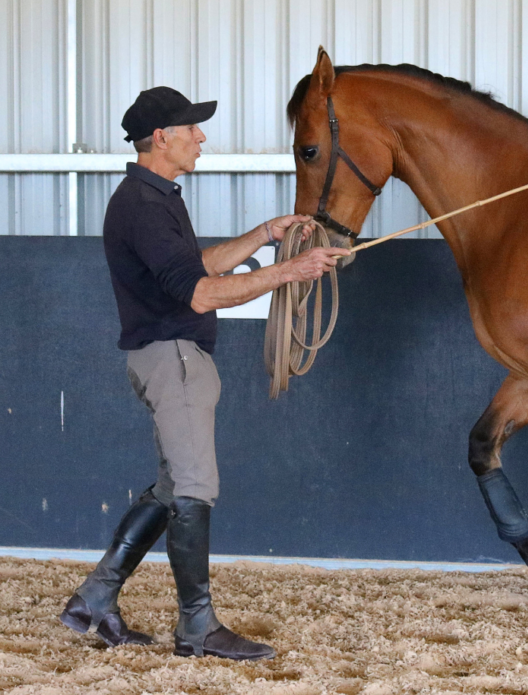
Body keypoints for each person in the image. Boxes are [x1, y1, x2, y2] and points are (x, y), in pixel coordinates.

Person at [58, 86, 344, 660]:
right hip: (174, 359)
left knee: (170, 489)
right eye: (192, 128)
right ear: (161, 137)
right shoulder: (143, 205)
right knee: (193, 489)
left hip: (166, 358)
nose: (202, 137)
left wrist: (264, 235)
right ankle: (196, 628)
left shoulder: (155, 198)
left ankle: (94, 598)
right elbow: (200, 293)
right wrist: (288, 271)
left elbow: (198, 266)